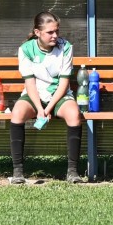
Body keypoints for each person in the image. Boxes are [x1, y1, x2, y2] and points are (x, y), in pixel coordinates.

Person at [9, 11, 84, 184]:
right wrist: (40, 109)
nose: (55, 35)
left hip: (59, 96)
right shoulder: (25, 49)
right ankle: (18, 172)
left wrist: (48, 108)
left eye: (56, 31)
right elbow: (30, 83)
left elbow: (64, 83)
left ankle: (73, 172)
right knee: (17, 113)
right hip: (34, 96)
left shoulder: (66, 47)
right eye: (50, 32)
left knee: (74, 114)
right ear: (37, 32)